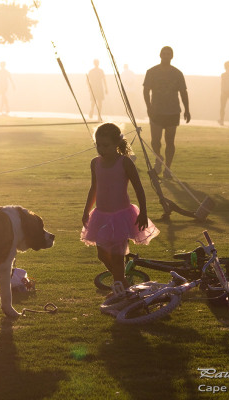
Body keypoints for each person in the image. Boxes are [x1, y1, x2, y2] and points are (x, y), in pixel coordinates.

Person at [81, 123, 160, 288]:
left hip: (121, 217)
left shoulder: (124, 163)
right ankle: (122, 281)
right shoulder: (95, 163)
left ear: (117, 143)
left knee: (117, 257)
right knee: (102, 255)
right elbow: (94, 188)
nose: (101, 149)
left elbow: (138, 188)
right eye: (98, 145)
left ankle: (120, 286)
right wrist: (86, 211)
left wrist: (143, 212)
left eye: (106, 145)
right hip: (101, 216)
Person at [143, 46, 191, 179]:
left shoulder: (177, 73)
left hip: (172, 111)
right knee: (155, 141)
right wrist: (149, 107)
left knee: (170, 141)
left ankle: (168, 169)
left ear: (172, 56)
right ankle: (158, 160)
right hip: (156, 111)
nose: (166, 56)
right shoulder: (151, 72)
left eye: (168, 54)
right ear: (160, 55)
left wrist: (187, 109)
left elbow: (183, 92)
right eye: (164, 53)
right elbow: (146, 90)